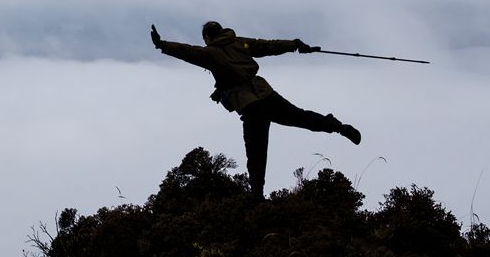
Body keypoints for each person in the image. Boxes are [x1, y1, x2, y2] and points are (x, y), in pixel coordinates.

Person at [150, 21, 361, 199]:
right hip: (266, 94)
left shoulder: (211, 53)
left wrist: (162, 45)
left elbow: (188, 52)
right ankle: (338, 127)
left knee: (256, 152)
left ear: (207, 37)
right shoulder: (240, 43)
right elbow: (267, 46)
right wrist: (295, 45)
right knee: (301, 117)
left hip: (250, 105)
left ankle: (257, 197)